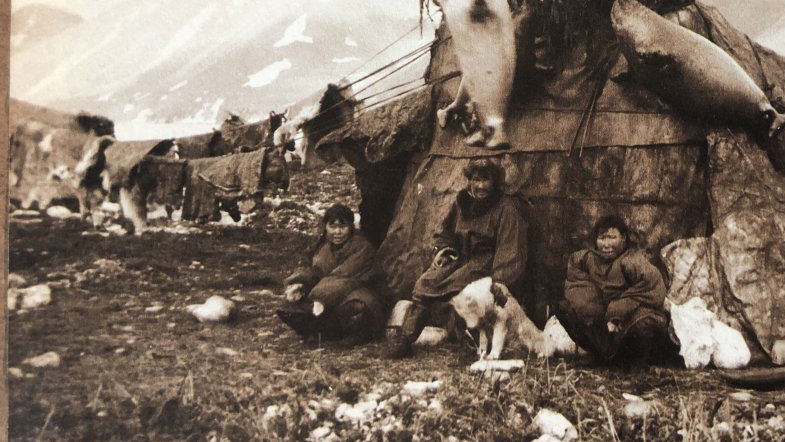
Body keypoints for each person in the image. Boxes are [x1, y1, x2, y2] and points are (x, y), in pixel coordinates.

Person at [386, 158, 528, 357]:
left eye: (485, 180)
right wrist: (445, 250)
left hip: (485, 264)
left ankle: (471, 343)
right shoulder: (462, 204)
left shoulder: (506, 209)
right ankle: (405, 338)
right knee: (426, 283)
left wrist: (500, 281)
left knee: (459, 288)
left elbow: (509, 250)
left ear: (494, 182)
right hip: (459, 258)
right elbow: (445, 233)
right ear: (469, 181)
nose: (480, 186)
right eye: (475, 179)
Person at [559, 214, 671, 368]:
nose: (606, 244)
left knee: (646, 322)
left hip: (628, 320)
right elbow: (576, 283)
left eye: (612, 238)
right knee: (565, 308)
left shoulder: (631, 261)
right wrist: (598, 313)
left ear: (623, 238)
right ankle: (602, 355)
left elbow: (653, 287)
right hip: (603, 321)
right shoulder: (585, 259)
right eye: (602, 238)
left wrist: (617, 311)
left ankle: (631, 361)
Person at [277, 203, 389, 343]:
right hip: (331, 296)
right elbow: (316, 272)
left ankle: (351, 334)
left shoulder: (363, 248)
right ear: (325, 227)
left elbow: (343, 278)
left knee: (357, 306)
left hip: (357, 292)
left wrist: (317, 299)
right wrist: (300, 285)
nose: (337, 232)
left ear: (351, 227)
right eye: (332, 226)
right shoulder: (324, 249)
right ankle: (323, 330)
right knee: (289, 306)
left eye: (342, 227)